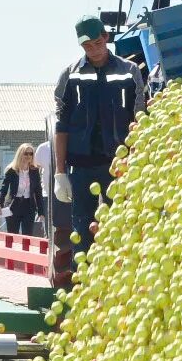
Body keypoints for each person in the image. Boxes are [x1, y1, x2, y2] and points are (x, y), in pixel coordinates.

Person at [52, 14, 147, 250]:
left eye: (97, 43)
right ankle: (81, 281)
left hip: (118, 165)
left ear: (105, 37)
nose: (93, 50)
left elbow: (140, 119)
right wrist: (60, 173)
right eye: (87, 46)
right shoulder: (70, 75)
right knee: (82, 232)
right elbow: (61, 125)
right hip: (81, 168)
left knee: (122, 229)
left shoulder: (129, 71)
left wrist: (136, 161)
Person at [0, 143, 44, 236]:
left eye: (31, 154)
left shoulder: (34, 171)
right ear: (20, 154)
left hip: (29, 206)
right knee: (12, 236)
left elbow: (38, 192)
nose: (28, 156)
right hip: (13, 206)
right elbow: (4, 189)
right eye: (26, 153)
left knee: (28, 236)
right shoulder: (11, 170)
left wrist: (41, 211)